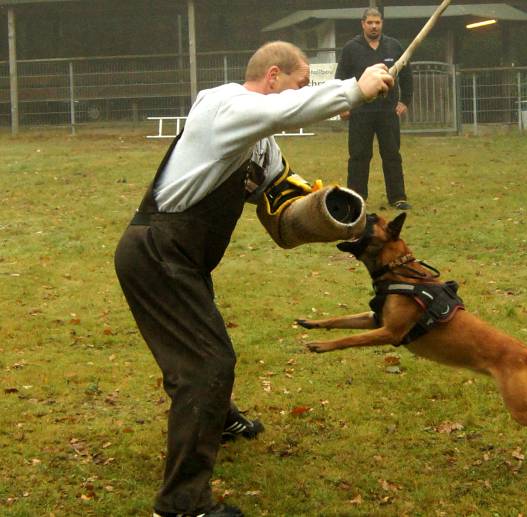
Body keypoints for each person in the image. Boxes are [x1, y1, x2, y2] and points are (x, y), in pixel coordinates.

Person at [114, 41, 394, 517]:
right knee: (206, 363)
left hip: (183, 258)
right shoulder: (224, 106)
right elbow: (287, 110)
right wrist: (355, 90)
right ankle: (181, 505)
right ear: (272, 77)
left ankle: (218, 421)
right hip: (156, 252)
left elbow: (283, 195)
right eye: (299, 84)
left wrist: (331, 212)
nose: (301, 94)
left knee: (205, 349)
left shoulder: (262, 144)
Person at [335, 7, 413, 210]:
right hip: (360, 111)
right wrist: (343, 105)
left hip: (387, 112)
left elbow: (406, 75)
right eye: (369, 22)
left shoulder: (394, 46)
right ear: (363, 24)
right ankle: (356, 199)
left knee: (392, 154)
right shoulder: (351, 48)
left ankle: (398, 197)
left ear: (382, 24)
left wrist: (405, 101)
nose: (373, 26)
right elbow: (340, 78)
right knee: (359, 156)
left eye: (377, 22)